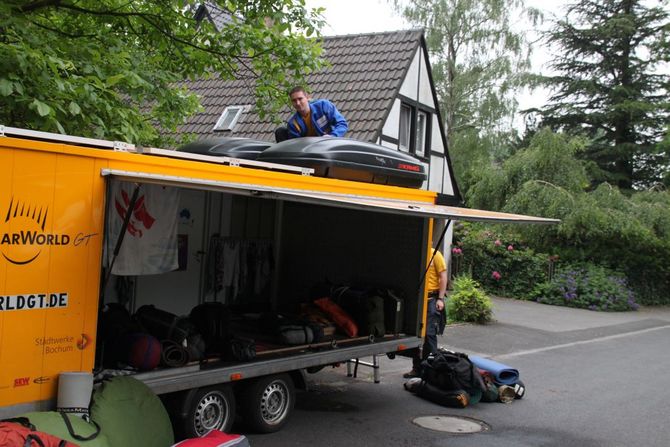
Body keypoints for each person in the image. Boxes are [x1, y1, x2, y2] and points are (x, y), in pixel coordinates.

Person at [403, 248, 447, 378]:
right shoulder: (418, 253)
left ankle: (431, 371)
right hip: (418, 300)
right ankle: (416, 368)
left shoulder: (435, 254)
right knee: (415, 334)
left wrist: (440, 298)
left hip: (432, 299)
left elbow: (443, 276)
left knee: (429, 335)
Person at [275, 86, 348, 142]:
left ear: (307, 98)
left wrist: (332, 136)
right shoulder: (293, 124)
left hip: (330, 143)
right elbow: (296, 146)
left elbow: (342, 124)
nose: (298, 103)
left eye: (300, 99)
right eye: (294, 100)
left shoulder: (323, 106)